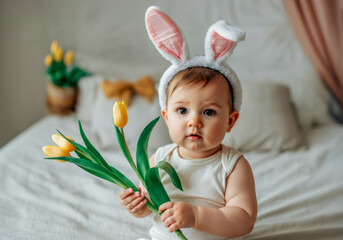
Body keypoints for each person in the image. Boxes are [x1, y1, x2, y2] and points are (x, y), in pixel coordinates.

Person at [119, 6, 257, 240]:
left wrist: (197, 216)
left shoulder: (233, 166)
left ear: (230, 121)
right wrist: (137, 206)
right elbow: (149, 205)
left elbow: (244, 219)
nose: (194, 121)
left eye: (209, 112)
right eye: (182, 110)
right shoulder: (158, 160)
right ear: (166, 117)